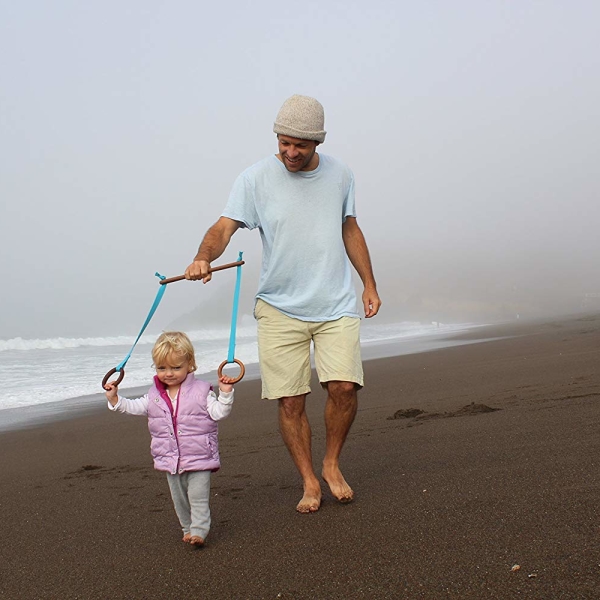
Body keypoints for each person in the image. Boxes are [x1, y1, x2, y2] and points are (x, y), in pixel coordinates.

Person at [184, 94, 381, 513]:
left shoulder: (341, 175)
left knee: (344, 388)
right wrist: (204, 256)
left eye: (301, 145)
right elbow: (224, 228)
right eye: (283, 142)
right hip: (279, 307)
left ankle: (331, 463)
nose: (290, 153)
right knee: (291, 400)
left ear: (318, 143)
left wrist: (369, 284)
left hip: (336, 302)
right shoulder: (254, 179)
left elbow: (350, 228)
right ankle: (309, 480)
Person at [104, 331, 235, 546]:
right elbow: (135, 407)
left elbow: (219, 413)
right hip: (170, 458)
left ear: (189, 365)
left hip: (199, 455)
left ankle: (200, 531)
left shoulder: (202, 391)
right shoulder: (154, 394)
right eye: (162, 368)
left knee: (198, 497)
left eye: (176, 367)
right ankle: (187, 527)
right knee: (179, 499)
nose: (169, 374)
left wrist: (226, 393)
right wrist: (115, 399)